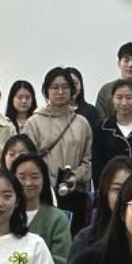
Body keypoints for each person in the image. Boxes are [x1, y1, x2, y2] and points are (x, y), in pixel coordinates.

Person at [22, 67, 94, 234]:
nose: (60, 92)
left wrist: (76, 176)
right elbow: (27, 160)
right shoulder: (34, 122)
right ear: (46, 91)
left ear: (72, 90)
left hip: (74, 193)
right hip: (43, 195)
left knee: (74, 238)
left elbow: (88, 160)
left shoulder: (81, 123)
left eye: (65, 87)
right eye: (55, 87)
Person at [11, 154, 72, 264]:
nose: (28, 183)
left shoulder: (57, 218)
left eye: (35, 177)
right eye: (22, 177)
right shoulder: (5, 215)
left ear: (44, 179)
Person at [72, 157, 132, 264]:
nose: (123, 196)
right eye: (117, 189)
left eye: (130, 189)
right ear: (105, 192)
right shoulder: (85, 240)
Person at [91, 79, 132, 181]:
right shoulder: (101, 129)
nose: (124, 103)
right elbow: (96, 164)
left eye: (129, 97)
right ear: (112, 99)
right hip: (109, 184)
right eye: (119, 97)